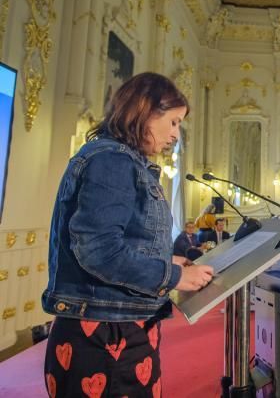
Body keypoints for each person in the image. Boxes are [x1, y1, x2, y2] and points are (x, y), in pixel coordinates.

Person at [42, 73, 213, 397]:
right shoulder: (113, 161)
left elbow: (121, 241)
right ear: (147, 112)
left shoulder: (114, 158)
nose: (176, 134)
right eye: (174, 122)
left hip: (110, 323)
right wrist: (173, 276)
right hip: (105, 334)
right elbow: (99, 250)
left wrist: (166, 258)